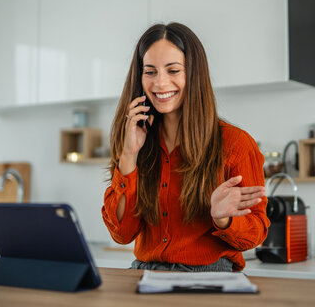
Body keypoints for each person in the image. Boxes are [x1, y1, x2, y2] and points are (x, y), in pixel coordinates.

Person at [101, 22, 269, 272]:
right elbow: (122, 234)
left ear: (194, 73)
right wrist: (128, 155)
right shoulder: (134, 140)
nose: (160, 83)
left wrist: (223, 218)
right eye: (150, 72)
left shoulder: (236, 144)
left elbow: (255, 234)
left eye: (173, 70)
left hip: (209, 276)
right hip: (144, 272)